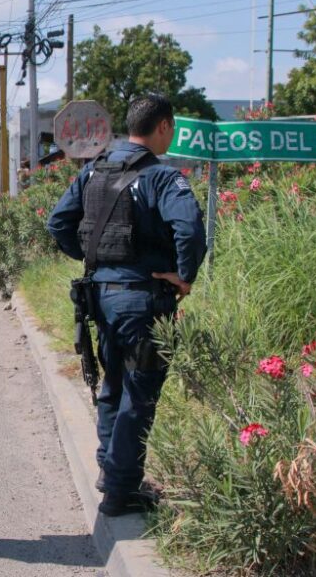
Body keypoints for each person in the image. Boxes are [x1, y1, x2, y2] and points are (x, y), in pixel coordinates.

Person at [46, 94, 207, 517]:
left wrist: (94, 262)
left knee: (112, 384)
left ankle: (108, 469)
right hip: (143, 300)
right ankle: (120, 491)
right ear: (164, 127)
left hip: (101, 297)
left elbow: (58, 223)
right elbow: (189, 229)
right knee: (140, 393)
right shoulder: (162, 177)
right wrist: (185, 277)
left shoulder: (94, 170)